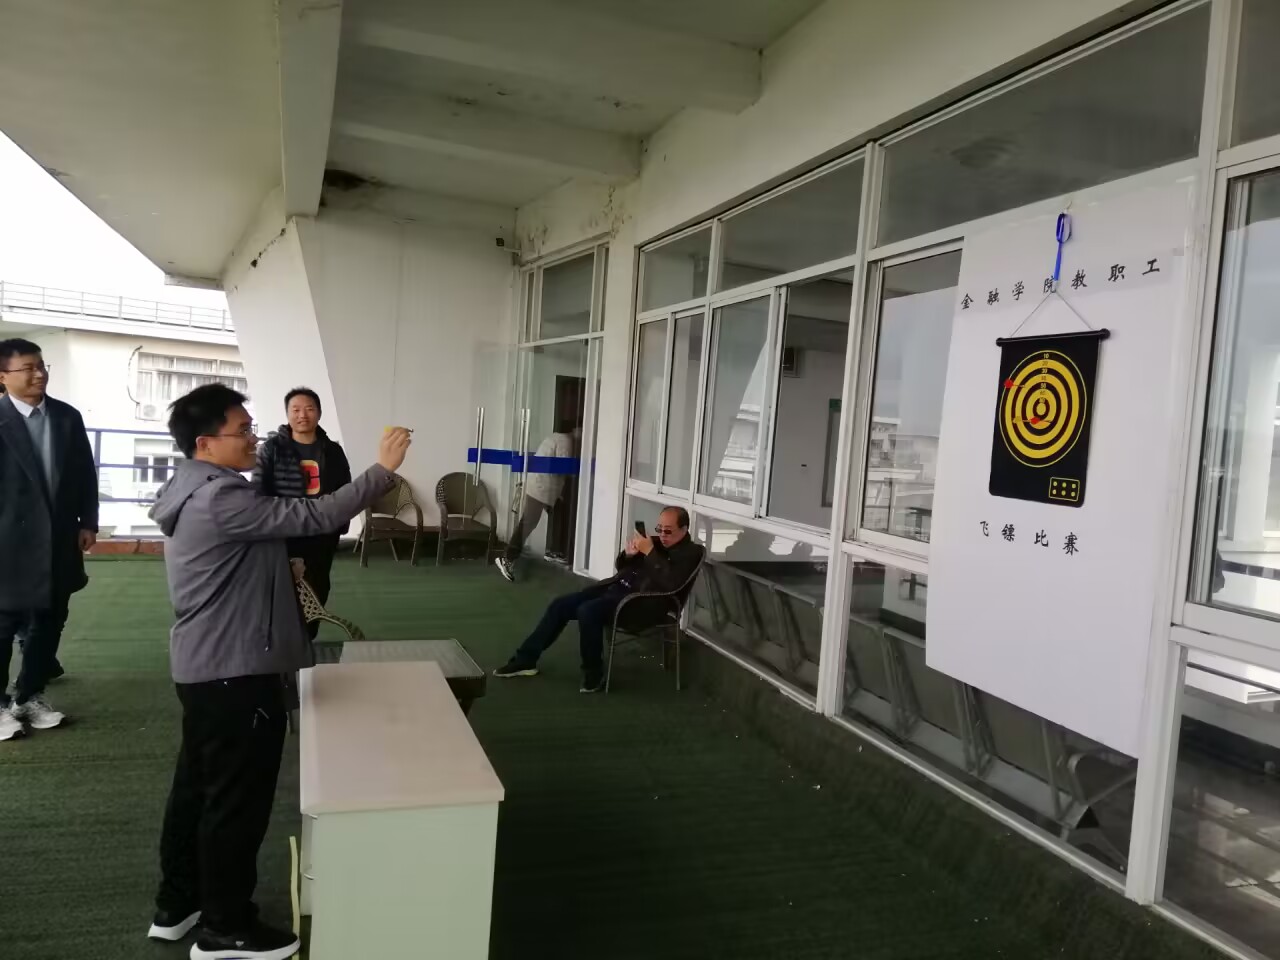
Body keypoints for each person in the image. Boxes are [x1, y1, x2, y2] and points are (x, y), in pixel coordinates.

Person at [146, 383, 410, 960]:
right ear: (205, 442)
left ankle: (179, 902)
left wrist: (274, 562)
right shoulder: (222, 496)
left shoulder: (193, 485)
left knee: (198, 789)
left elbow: (243, 546)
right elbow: (316, 513)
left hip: (207, 666)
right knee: (235, 802)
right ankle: (225, 927)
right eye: (242, 430)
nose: (254, 438)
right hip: (236, 670)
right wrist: (382, 471)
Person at [0, 338, 98, 741]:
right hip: (7, 540)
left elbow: (84, 472)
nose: (39, 374)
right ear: (3, 376)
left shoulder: (66, 417)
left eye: (42, 366)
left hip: (58, 537)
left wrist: (88, 520)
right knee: (3, 624)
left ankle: (29, 696)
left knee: (49, 620)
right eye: (28, 368)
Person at [494, 506, 701, 692]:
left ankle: (594, 674)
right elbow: (622, 567)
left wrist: (649, 553)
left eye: (668, 531)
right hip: (617, 590)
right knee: (560, 605)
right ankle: (525, 659)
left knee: (588, 611)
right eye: (659, 529)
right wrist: (629, 555)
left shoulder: (691, 553)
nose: (662, 535)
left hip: (642, 604)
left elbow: (671, 583)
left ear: (684, 530)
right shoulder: (654, 543)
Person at [252, 387, 352, 636]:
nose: (302, 415)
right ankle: (282, 639)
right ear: (287, 414)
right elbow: (259, 490)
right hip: (284, 531)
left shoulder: (332, 451)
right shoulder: (272, 449)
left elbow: (345, 489)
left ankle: (308, 636)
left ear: (319, 413)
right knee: (281, 587)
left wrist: (340, 523)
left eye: (309, 409)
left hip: (322, 532)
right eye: (295, 410)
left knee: (318, 585)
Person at [494, 425, 580, 582]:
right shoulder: (566, 441)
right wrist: (579, 470)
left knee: (558, 514)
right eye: (581, 430)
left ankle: (555, 550)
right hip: (541, 488)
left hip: (541, 486)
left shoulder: (555, 437)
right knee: (528, 523)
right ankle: (507, 558)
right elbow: (563, 467)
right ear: (575, 429)